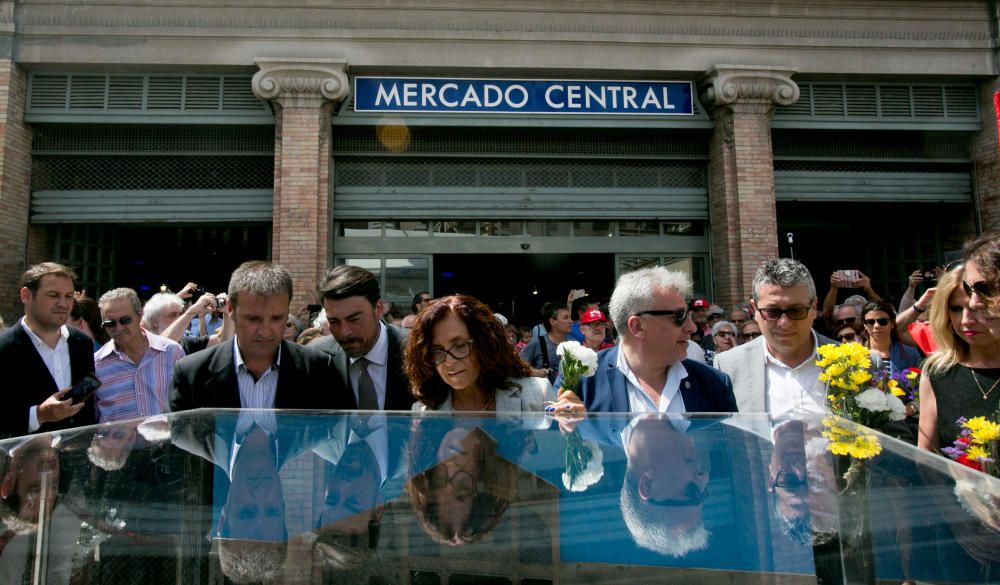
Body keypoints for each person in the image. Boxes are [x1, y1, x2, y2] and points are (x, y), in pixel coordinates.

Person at [169, 261, 351, 411]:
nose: (265, 331)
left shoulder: (319, 370)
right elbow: (176, 449)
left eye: (276, 318)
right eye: (253, 319)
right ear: (231, 310)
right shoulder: (191, 373)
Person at [568, 266, 737, 413]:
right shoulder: (581, 381)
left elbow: (731, 448)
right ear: (638, 327)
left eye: (689, 315)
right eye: (679, 316)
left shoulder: (714, 384)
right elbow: (567, 444)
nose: (691, 327)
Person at [408, 295, 581, 412]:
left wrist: (575, 427)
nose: (449, 361)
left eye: (460, 346)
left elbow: (552, 459)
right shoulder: (424, 410)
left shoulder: (535, 393)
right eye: (437, 351)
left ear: (485, 343)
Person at [715, 259, 835, 417]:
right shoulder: (727, 367)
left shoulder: (858, 364)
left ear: (813, 308)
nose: (784, 323)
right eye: (772, 312)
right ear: (754, 309)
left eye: (796, 311)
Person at [0, 263, 96, 439]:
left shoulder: (82, 343)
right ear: (26, 295)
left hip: (76, 459)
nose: (63, 303)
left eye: (68, 296)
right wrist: (39, 415)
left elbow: (88, 408)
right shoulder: (4, 348)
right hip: (22, 462)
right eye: (53, 295)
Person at [311, 265, 413, 411]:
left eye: (354, 319)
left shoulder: (417, 350)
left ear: (378, 309)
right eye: (334, 322)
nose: (345, 332)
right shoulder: (317, 359)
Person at [95, 288, 185, 422]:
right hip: (120, 443)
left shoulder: (172, 351)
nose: (118, 328)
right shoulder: (96, 364)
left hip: (165, 441)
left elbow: (186, 404)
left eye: (125, 320)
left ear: (139, 315)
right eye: (110, 323)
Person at [141, 291, 233, 355]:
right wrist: (191, 312)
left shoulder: (185, 344)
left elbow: (222, 341)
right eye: (173, 315)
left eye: (180, 314)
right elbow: (162, 346)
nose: (179, 318)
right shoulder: (143, 345)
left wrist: (227, 311)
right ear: (155, 321)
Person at [861, 300, 922, 378]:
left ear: (892, 323)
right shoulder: (857, 356)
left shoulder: (910, 354)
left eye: (882, 321)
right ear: (865, 325)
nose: (876, 326)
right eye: (870, 322)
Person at [519, 301, 572, 384]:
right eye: (566, 318)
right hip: (544, 394)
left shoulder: (573, 342)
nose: (571, 321)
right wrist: (535, 372)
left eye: (570, 317)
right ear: (552, 321)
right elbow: (518, 366)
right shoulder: (537, 343)